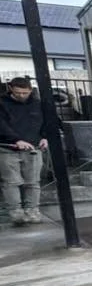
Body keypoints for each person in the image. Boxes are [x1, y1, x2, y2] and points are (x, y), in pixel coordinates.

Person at [0, 76, 48, 226]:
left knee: (33, 181)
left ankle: (32, 210)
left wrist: (45, 137)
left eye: (24, 93)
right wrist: (16, 140)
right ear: (10, 89)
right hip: (7, 147)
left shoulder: (37, 104)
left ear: (30, 90)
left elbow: (48, 121)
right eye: (17, 93)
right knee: (11, 182)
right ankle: (16, 211)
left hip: (33, 146)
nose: (21, 96)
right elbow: (1, 125)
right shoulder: (2, 104)